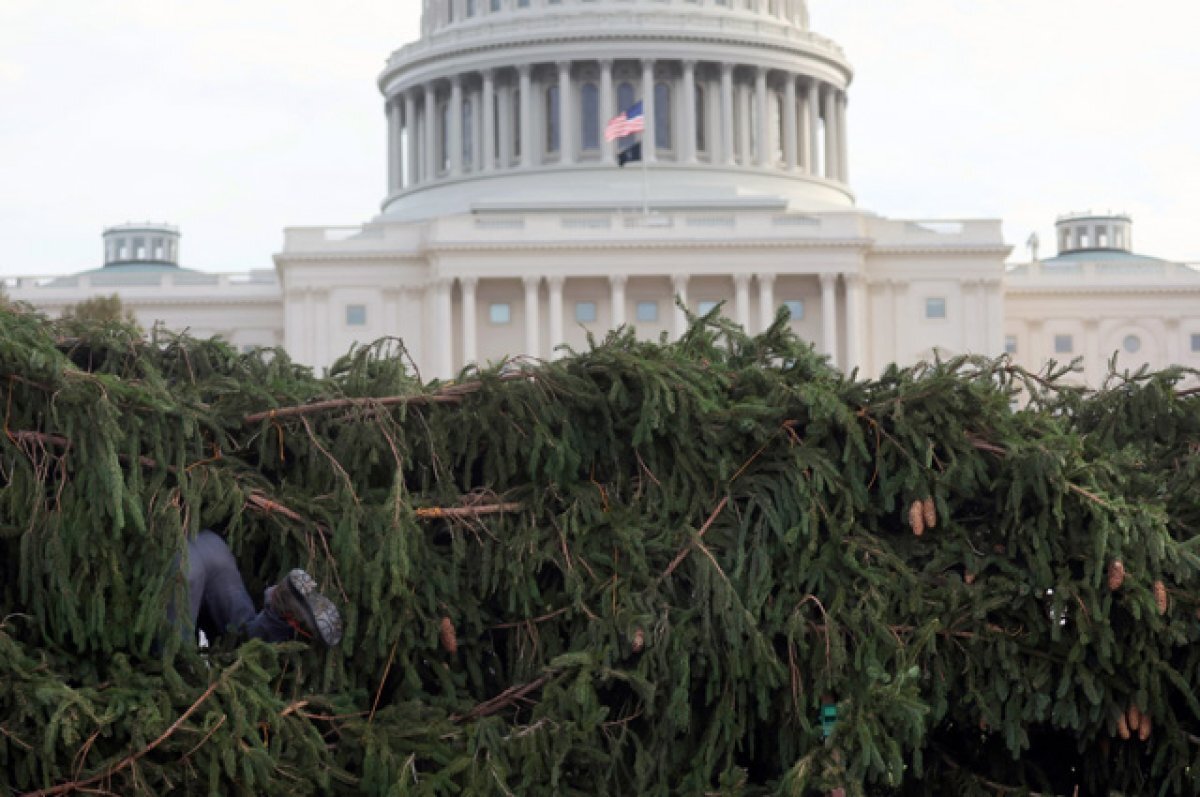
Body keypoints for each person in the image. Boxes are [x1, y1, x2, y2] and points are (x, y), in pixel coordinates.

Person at [180, 529, 343, 647]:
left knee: (175, 655)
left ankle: (284, 604)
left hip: (181, 561)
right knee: (243, 632)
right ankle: (280, 606)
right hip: (211, 545)